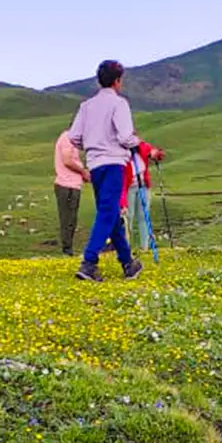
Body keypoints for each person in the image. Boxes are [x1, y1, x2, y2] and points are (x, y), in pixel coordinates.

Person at [68, 60, 143, 282]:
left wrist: (91, 145)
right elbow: (125, 137)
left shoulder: (86, 106)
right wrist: (136, 142)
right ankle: (89, 262)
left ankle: (128, 263)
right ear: (118, 81)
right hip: (114, 162)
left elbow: (74, 137)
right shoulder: (119, 104)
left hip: (95, 164)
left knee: (110, 213)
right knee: (108, 212)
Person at [120, 137, 165, 251]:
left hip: (143, 185)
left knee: (144, 216)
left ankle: (144, 247)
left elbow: (157, 154)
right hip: (128, 188)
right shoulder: (120, 151)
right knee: (128, 217)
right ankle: (126, 248)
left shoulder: (142, 146)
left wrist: (156, 154)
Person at [53, 129, 91, 256]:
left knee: (72, 219)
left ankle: (69, 248)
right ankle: (67, 250)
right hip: (66, 185)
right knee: (67, 219)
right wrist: (83, 171)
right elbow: (67, 161)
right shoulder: (67, 138)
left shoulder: (73, 141)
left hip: (74, 184)